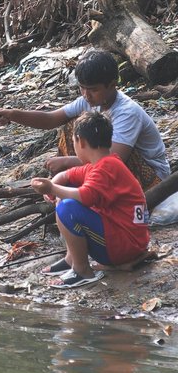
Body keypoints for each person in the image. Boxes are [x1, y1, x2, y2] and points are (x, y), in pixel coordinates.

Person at [0, 49, 169, 190]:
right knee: (72, 125)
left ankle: (80, 186)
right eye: (82, 88)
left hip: (152, 178)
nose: (86, 95)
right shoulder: (89, 101)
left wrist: (68, 162)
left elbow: (114, 161)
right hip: (112, 166)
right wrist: (13, 114)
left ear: (112, 85)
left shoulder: (127, 112)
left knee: (88, 134)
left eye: (92, 89)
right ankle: (76, 186)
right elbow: (51, 119)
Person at [31, 111, 150, 290]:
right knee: (66, 192)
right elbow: (66, 175)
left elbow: (85, 197)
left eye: (74, 142)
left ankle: (82, 270)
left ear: (81, 142)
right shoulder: (104, 163)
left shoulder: (106, 168)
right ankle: (72, 258)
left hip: (126, 246)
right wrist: (54, 183)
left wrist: (52, 189)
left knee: (67, 207)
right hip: (130, 240)